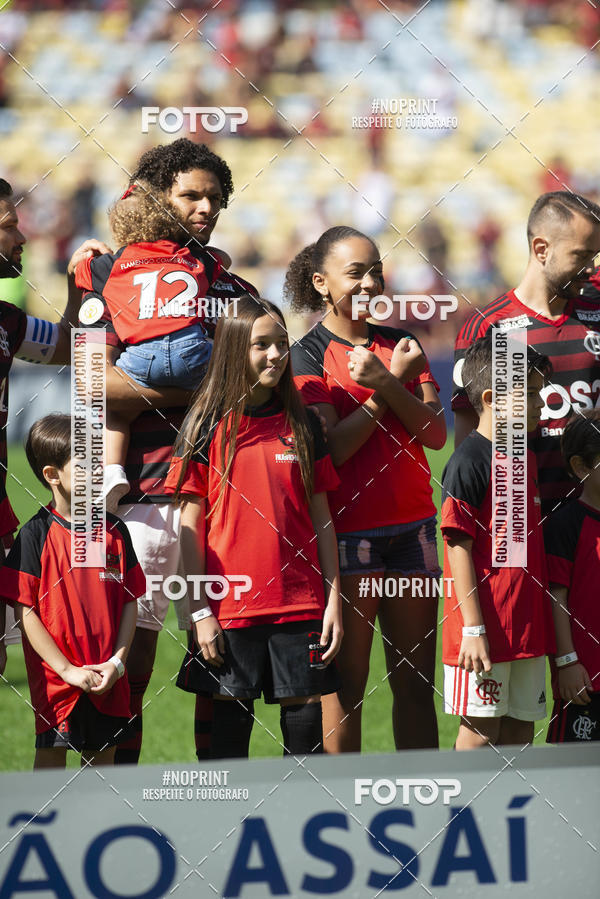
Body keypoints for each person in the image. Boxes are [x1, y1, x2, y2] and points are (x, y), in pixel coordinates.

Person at [83, 139, 258, 764]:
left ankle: (218, 801)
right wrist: (201, 388)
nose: (206, 207)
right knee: (130, 657)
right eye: (191, 195)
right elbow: (90, 383)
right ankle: (113, 795)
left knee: (226, 661)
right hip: (144, 498)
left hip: (229, 497)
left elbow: (256, 381)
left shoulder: (234, 288)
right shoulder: (109, 274)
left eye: (215, 197)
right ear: (157, 196)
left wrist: (186, 390)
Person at [286, 226, 446, 753]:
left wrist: (389, 381)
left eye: (375, 269)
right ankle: (343, 811)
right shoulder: (306, 356)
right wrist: (383, 391)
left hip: (416, 531)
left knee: (416, 685)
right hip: (348, 537)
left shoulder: (402, 343)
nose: (370, 281)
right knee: (346, 689)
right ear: (321, 282)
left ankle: (426, 800)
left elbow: (436, 432)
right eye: (356, 272)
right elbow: (331, 451)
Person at [164, 295, 343, 759]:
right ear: (234, 351)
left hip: (300, 604)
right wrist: (198, 612)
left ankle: (293, 829)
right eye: (261, 345)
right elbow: (189, 529)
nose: (275, 355)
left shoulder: (304, 424)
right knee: (226, 751)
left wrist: (333, 601)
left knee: (305, 747)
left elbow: (322, 519)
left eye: (281, 344)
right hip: (228, 612)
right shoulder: (204, 425)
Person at [0, 178, 109, 676]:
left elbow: (67, 344)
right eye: (8, 227)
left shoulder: (8, 322)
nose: (20, 238)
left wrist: (78, 287)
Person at [0, 414, 146, 768]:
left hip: (108, 677)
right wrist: (66, 670)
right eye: (85, 464)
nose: (98, 471)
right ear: (53, 475)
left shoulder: (116, 531)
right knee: (49, 771)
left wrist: (117, 663)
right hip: (57, 682)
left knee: (102, 772)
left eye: (99, 461)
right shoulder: (35, 535)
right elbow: (25, 612)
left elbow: (130, 602)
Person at [75, 182, 224, 512]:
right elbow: (220, 260)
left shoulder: (113, 263)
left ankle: (112, 470)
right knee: (233, 363)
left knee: (114, 406)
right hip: (192, 351)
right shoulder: (191, 257)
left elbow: (81, 272)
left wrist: (86, 260)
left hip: (143, 355)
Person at [452, 190, 600, 518]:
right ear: (541, 249)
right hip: (524, 524)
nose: (591, 268)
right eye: (581, 255)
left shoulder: (596, 308)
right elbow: (468, 444)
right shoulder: (487, 327)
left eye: (596, 256)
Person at [441, 334, 555, 749]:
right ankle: (464, 815)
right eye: (532, 394)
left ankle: (509, 816)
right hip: (483, 630)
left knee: (521, 731)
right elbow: (458, 548)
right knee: (481, 733)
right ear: (492, 398)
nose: (541, 404)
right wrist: (473, 627)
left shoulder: (524, 456)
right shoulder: (469, 462)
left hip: (526, 629)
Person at [545, 411, 600, 742]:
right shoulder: (566, 525)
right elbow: (556, 598)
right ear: (581, 466)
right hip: (584, 682)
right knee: (573, 784)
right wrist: (566, 662)